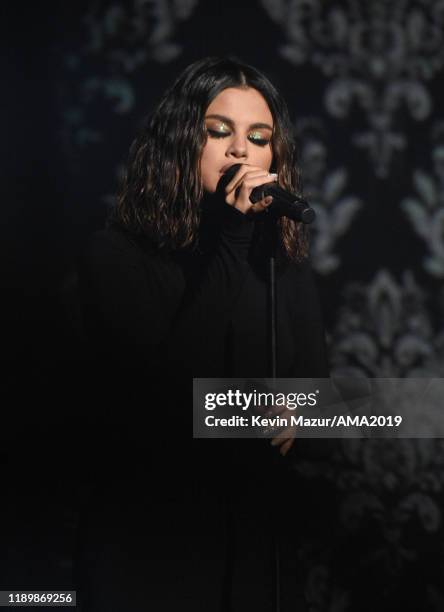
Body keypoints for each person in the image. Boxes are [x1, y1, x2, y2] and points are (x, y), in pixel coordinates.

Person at [76, 56, 329, 612]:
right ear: (179, 144)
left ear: (275, 156)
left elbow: (319, 394)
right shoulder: (119, 257)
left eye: (258, 138)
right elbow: (159, 398)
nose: (241, 150)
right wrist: (233, 237)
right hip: (154, 548)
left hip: (257, 546)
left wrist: (298, 415)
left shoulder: (279, 264)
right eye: (219, 132)